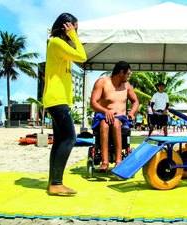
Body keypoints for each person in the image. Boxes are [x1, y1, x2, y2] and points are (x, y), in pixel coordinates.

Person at [42, 13, 87, 196]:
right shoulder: (56, 43)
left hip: (60, 100)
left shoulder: (60, 47)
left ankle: (53, 182)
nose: (76, 31)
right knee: (70, 138)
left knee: (60, 141)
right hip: (56, 99)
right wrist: (73, 36)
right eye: (74, 28)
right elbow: (82, 56)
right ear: (66, 26)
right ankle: (56, 183)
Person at [90, 61, 139, 171]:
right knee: (104, 124)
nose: (129, 76)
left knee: (116, 123)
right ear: (121, 73)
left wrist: (131, 113)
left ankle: (118, 161)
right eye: (128, 74)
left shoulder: (127, 86)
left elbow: (135, 102)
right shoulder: (102, 82)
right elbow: (93, 103)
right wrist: (105, 111)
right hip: (102, 116)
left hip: (120, 118)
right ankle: (105, 162)